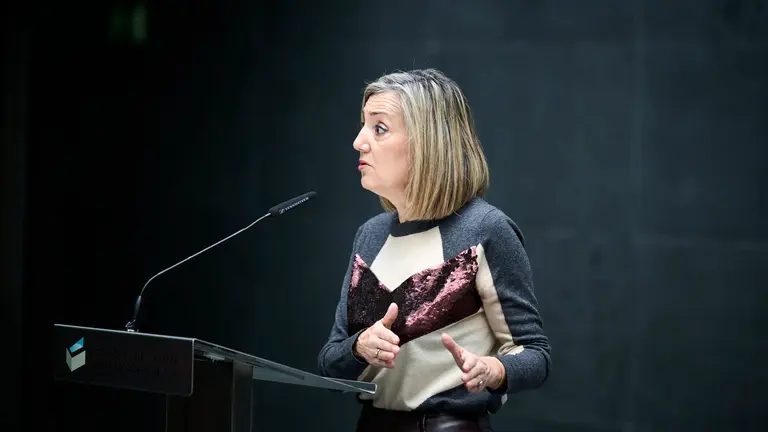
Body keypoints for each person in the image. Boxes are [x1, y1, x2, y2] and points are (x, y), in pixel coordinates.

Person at [317, 68, 551, 432]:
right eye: (363, 125)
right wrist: (359, 348)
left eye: (379, 128)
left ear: (427, 142)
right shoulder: (369, 236)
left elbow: (535, 355)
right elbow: (331, 360)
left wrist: (495, 369)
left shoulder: (486, 230)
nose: (358, 142)